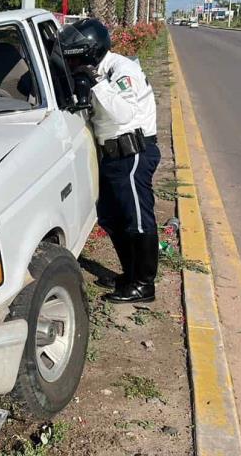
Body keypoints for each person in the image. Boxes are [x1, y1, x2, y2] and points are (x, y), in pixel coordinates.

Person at [59, 18, 160, 304]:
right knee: (111, 217)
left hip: (132, 153)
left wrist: (94, 83)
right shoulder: (96, 70)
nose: (73, 61)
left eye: (76, 55)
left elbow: (125, 113)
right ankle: (128, 275)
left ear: (90, 51)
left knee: (136, 218)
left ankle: (143, 284)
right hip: (111, 155)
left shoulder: (121, 70)